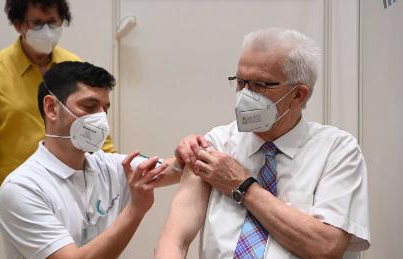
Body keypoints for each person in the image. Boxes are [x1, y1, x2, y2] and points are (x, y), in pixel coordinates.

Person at [155, 28, 370, 259]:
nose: (245, 95)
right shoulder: (217, 144)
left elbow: (327, 247)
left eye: (261, 85)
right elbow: (173, 239)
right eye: (240, 82)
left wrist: (243, 185)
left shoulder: (337, 150)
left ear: (298, 95)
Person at [0, 61, 181, 259]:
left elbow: (174, 169)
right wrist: (135, 210)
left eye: (105, 109)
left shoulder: (107, 166)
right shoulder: (22, 188)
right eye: (90, 106)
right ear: (51, 108)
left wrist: (189, 148)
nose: (101, 118)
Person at [0, 0, 116, 235]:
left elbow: (93, 122)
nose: (46, 30)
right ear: (18, 25)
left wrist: (114, 168)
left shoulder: (72, 65)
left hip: (74, 182)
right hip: (21, 190)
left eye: (52, 22)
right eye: (37, 23)